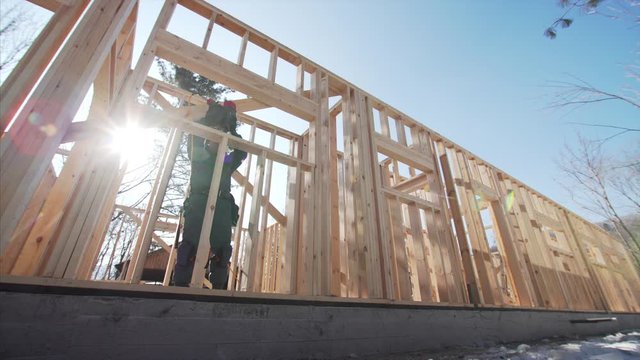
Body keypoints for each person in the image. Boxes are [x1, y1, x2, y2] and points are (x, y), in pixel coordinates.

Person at [173, 100, 246, 288]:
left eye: (220, 133)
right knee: (189, 249)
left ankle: (219, 290)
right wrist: (208, 118)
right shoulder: (200, 155)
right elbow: (195, 135)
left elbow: (242, 151)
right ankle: (179, 287)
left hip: (221, 205)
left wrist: (231, 125)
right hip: (199, 203)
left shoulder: (226, 160)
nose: (217, 137)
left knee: (222, 251)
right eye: (213, 133)